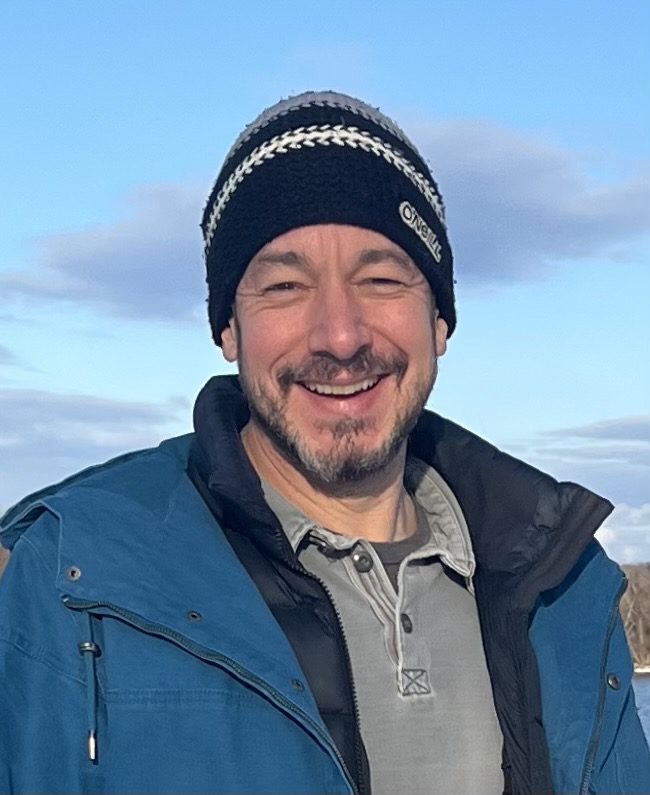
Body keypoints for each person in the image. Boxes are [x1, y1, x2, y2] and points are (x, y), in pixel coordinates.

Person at [0, 91, 648, 795]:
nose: (340, 336)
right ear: (228, 329)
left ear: (439, 320)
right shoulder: (72, 578)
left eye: (380, 279)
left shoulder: (567, 590)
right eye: (284, 284)